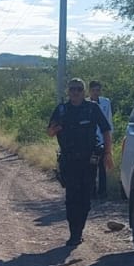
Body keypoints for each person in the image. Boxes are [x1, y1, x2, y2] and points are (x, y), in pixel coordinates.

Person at [46, 78, 111, 247]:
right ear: (68, 91)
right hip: (69, 161)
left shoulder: (92, 108)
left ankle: (79, 230)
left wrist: (108, 153)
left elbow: (106, 130)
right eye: (72, 89)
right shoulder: (61, 110)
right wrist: (55, 129)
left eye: (79, 89)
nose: (75, 92)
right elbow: (49, 132)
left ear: (84, 92)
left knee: (86, 198)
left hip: (89, 160)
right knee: (71, 198)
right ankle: (74, 233)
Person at [87, 81, 113, 199]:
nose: (96, 93)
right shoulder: (85, 104)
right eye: (93, 90)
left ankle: (102, 192)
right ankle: (91, 191)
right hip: (90, 140)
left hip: (103, 139)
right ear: (89, 91)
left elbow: (109, 121)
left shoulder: (105, 102)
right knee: (91, 166)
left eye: (98, 90)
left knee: (103, 166)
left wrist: (109, 141)